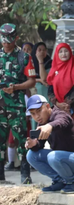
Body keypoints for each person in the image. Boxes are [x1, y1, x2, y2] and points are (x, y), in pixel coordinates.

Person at [26, 95, 74, 193]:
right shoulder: (42, 122)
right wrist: (33, 145)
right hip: (62, 161)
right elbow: (40, 145)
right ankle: (59, 181)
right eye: (33, 114)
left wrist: (50, 126)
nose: (37, 116)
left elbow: (62, 122)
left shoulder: (60, 114)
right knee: (31, 155)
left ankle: (73, 183)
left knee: (53, 156)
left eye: (39, 111)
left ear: (47, 106)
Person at [0, 23, 36, 183]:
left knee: (22, 139)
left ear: (16, 38)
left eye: (9, 40)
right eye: (4, 40)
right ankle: (1, 175)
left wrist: (16, 87)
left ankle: (25, 174)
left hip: (16, 105)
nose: (6, 44)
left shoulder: (24, 57)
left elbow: (32, 81)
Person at [47, 43, 74, 140]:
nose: (63, 54)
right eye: (60, 52)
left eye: (66, 51)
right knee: (61, 134)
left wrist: (66, 103)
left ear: (70, 52)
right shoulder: (54, 70)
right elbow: (50, 90)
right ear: (57, 54)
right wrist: (57, 103)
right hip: (58, 107)